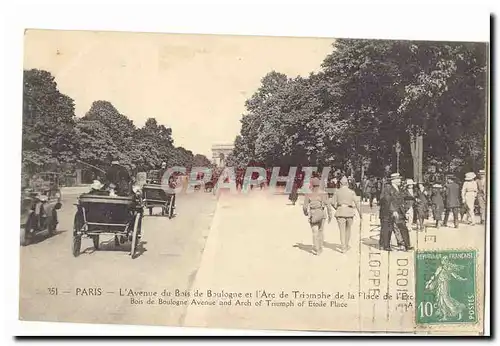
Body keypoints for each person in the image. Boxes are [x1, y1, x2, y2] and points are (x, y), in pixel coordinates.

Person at [379, 173, 413, 252]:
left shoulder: (399, 188)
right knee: (387, 229)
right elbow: (387, 200)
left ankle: (407, 245)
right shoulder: (387, 188)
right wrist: (393, 210)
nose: (400, 180)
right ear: (394, 181)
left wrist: (407, 206)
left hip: (399, 212)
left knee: (403, 228)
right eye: (398, 179)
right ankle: (385, 245)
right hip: (388, 212)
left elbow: (405, 197)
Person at [302, 177, 332, 256]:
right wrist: (330, 215)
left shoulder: (308, 194)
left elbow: (305, 207)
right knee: (321, 231)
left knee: (315, 232)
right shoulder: (324, 193)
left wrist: (306, 213)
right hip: (322, 214)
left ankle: (317, 248)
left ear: (312, 185)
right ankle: (320, 247)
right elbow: (328, 206)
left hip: (313, 214)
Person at [331, 176, 360, 253]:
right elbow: (357, 203)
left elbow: (332, 202)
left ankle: (343, 247)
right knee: (348, 230)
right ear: (347, 183)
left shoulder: (337, 192)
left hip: (340, 212)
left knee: (342, 231)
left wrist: (337, 208)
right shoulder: (352, 192)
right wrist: (360, 213)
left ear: (340, 183)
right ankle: (346, 245)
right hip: (350, 212)